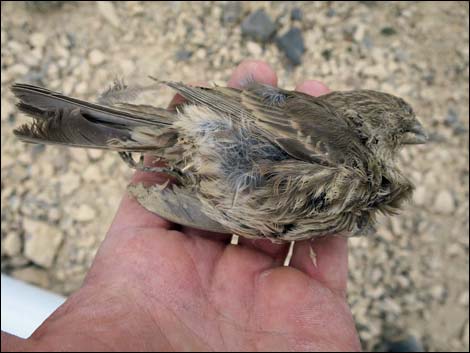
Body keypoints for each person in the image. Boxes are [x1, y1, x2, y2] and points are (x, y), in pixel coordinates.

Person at [1, 60, 361, 352]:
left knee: (151, 135)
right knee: (152, 134)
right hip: (214, 156)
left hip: (221, 191)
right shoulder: (333, 143)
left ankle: (97, 125)